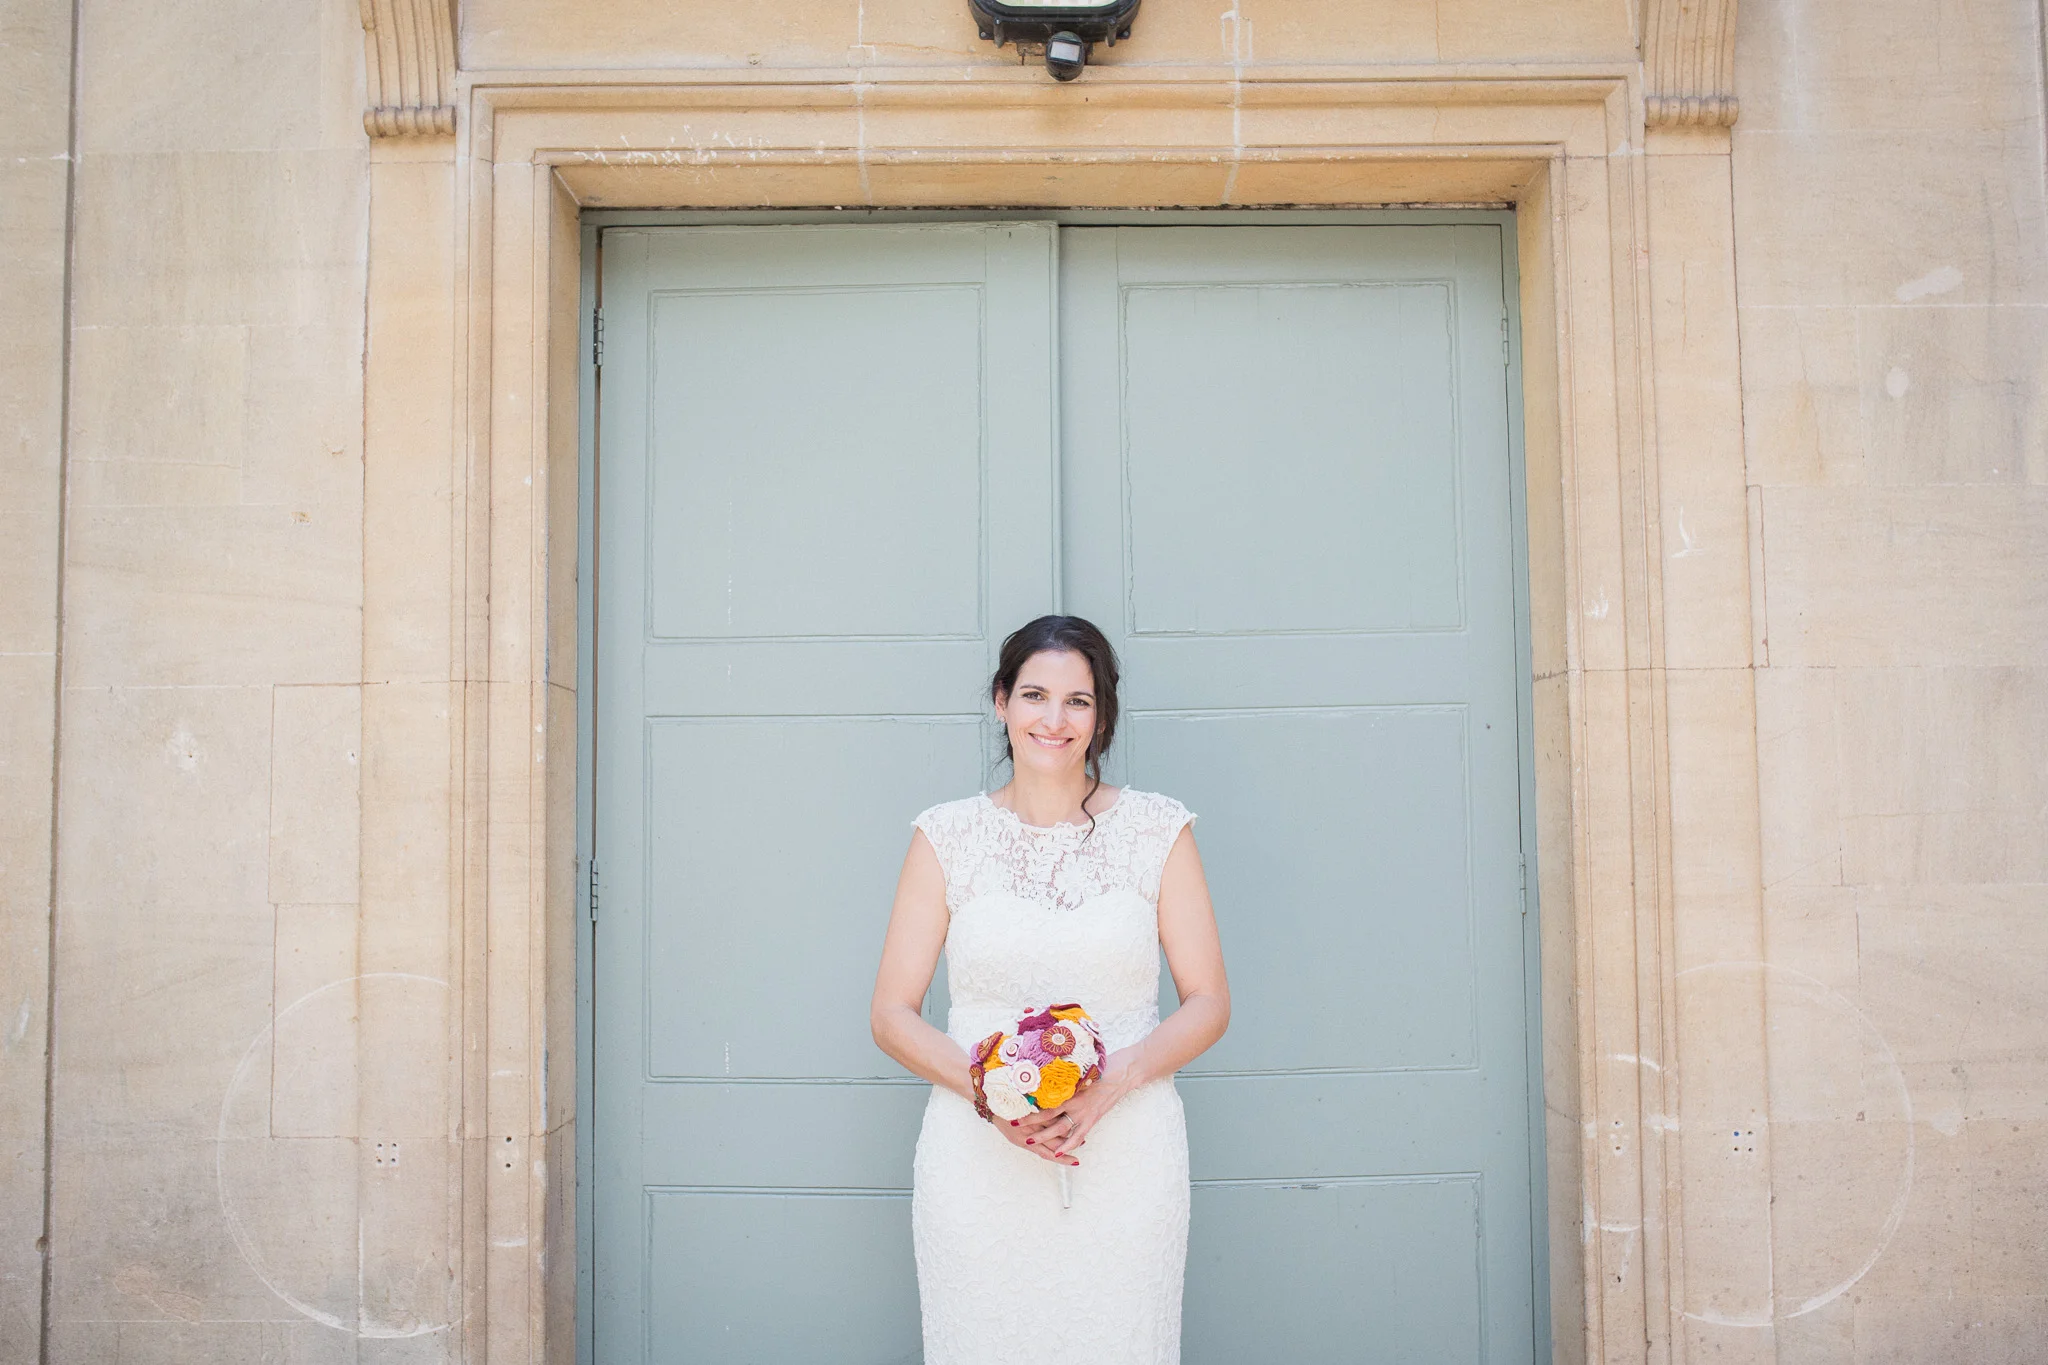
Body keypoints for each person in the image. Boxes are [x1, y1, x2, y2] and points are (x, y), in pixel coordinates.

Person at [870, 615, 1232, 1365]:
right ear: (1001, 702)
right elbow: (891, 1014)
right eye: (1035, 694)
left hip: (1128, 1155)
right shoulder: (945, 836)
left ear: (1102, 716)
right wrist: (988, 1092)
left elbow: (1208, 999)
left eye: (1078, 700)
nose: (1054, 719)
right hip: (975, 1161)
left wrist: (1113, 1084)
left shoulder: (1159, 829)